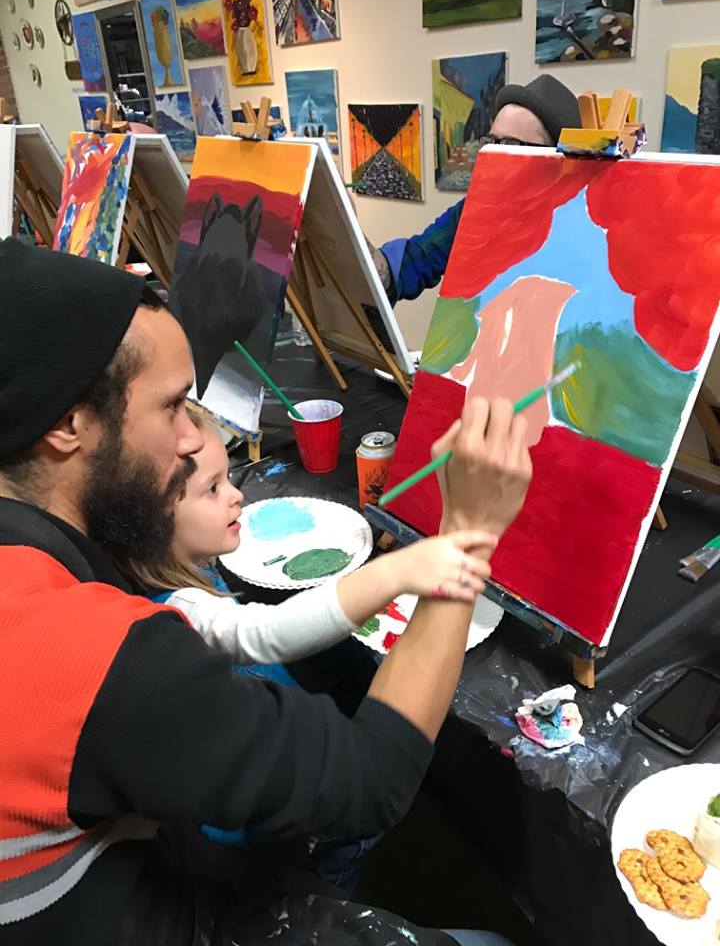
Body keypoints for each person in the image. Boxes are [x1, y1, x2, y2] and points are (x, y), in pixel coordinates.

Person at [0, 238, 531, 946]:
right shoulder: (85, 655)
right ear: (68, 423)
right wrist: (467, 536)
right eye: (172, 406)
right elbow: (368, 781)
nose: (192, 440)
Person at [111, 412, 494, 887]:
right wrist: (398, 571)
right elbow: (268, 631)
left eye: (228, 478)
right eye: (212, 489)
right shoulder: (174, 611)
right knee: (331, 860)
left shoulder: (184, 565)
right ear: (152, 524)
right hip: (269, 826)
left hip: (272, 750)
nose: (237, 495)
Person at [369, 75, 581, 305]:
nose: (493, 155)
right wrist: (347, 226)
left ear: (554, 161)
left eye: (511, 145)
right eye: (491, 142)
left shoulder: (582, 229)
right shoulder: (476, 211)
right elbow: (414, 262)